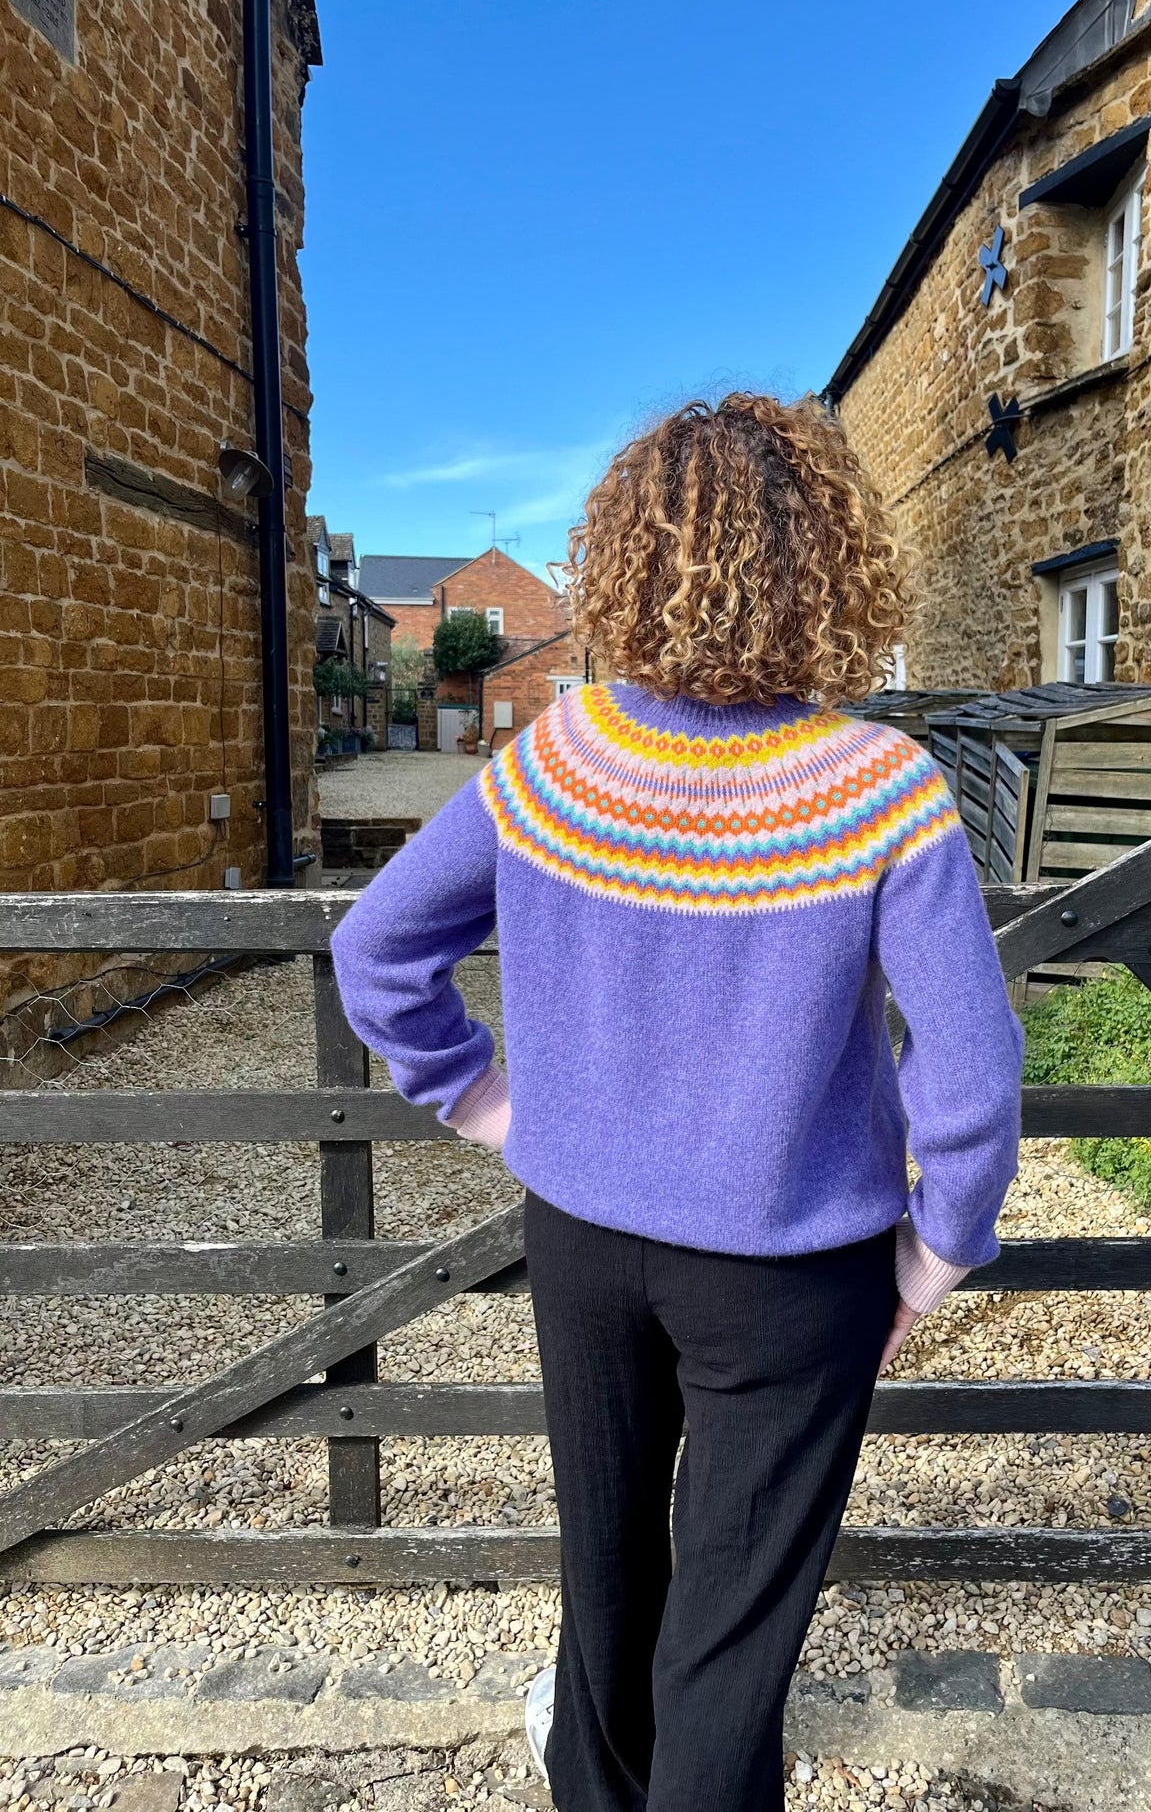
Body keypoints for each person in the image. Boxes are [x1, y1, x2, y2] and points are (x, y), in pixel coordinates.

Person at [330, 391, 1024, 1812]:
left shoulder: (555, 758)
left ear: (624, 560)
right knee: (733, 1623)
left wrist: (491, 1109)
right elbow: (969, 1071)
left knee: (606, 1576)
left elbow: (375, 949)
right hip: (788, 1268)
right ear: (829, 564)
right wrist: (935, 1250)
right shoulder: (879, 788)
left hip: (583, 1246)